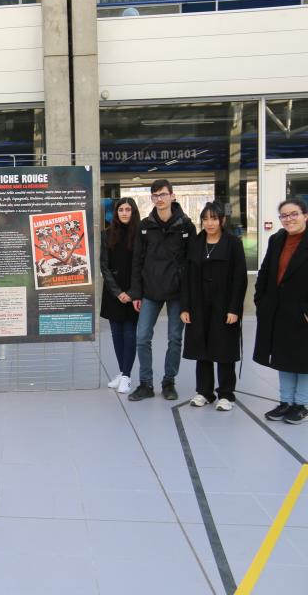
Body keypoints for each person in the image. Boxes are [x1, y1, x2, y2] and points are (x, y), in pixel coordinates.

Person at [128, 179, 196, 402]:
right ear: (151, 198)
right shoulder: (145, 226)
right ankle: (145, 383)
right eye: (155, 195)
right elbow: (137, 261)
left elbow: (191, 264)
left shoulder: (186, 226)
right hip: (150, 291)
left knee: (175, 338)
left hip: (177, 292)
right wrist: (136, 293)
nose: (160, 199)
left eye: (163, 194)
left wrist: (188, 298)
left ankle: (169, 381)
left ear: (172, 196)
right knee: (142, 337)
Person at [180, 201, 247, 412]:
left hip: (223, 305)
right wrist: (185, 307)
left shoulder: (233, 243)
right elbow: (187, 277)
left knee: (224, 349)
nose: (209, 223)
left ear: (222, 220)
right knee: (202, 349)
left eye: (214, 218)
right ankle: (204, 392)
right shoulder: (196, 243)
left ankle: (226, 394)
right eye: (205, 219)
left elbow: (240, 278)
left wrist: (234, 308)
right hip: (199, 305)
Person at [256, 198, 308, 424]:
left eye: (293, 214)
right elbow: (265, 271)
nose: (289, 219)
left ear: (305, 215)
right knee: (282, 358)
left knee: (304, 360)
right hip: (278, 310)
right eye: (284, 216)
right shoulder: (276, 239)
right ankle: (286, 401)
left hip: (302, 310)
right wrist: (261, 300)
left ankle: (302, 405)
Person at [100, 198, 141, 395]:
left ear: (133, 212)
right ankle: (122, 372)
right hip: (113, 293)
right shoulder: (106, 235)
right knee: (116, 334)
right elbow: (104, 266)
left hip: (133, 293)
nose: (124, 213)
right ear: (116, 213)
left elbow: (141, 266)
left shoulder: (141, 235)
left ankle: (127, 376)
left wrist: (132, 293)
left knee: (130, 334)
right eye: (121, 210)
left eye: (128, 209)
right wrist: (117, 292)